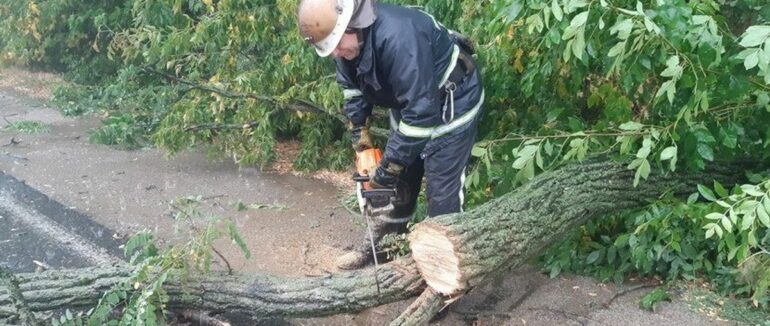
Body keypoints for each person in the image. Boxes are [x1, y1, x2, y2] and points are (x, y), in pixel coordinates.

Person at [298, 0, 484, 270]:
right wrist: (360, 133)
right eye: (330, 49)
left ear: (353, 25)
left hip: (452, 103)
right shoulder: (346, 47)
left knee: (443, 195)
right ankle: (384, 249)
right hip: (410, 105)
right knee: (398, 187)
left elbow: (422, 115)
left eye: (337, 45)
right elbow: (353, 89)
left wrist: (387, 170)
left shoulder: (400, 36)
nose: (336, 54)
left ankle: (445, 274)